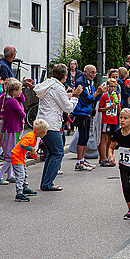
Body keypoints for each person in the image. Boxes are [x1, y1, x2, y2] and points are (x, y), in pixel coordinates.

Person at [34, 63, 82, 191]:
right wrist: (76, 96)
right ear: (65, 76)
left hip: (43, 121)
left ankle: (46, 182)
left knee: (51, 153)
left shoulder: (48, 84)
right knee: (58, 153)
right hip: (52, 124)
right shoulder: (58, 88)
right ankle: (48, 183)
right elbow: (67, 107)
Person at [72, 64, 105, 171]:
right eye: (91, 72)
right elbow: (86, 99)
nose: (93, 75)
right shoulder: (80, 81)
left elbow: (94, 97)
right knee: (82, 136)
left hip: (87, 112)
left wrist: (99, 93)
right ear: (85, 72)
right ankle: (79, 161)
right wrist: (97, 93)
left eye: (95, 73)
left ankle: (82, 159)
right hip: (81, 112)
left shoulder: (90, 82)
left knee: (85, 136)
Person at [0, 79, 26, 184]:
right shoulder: (12, 101)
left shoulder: (6, 99)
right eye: (20, 90)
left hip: (9, 129)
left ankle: (9, 175)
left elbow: (22, 98)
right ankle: (0, 176)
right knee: (10, 155)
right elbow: (22, 113)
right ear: (14, 91)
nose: (21, 92)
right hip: (12, 130)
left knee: (11, 153)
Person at [11, 119, 48, 202]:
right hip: (17, 157)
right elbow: (23, 145)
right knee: (21, 175)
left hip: (21, 157)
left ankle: (25, 188)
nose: (45, 133)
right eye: (44, 132)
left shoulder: (33, 137)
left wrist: (30, 152)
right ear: (40, 131)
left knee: (24, 173)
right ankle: (19, 193)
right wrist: (31, 149)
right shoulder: (30, 136)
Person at [98, 79, 120, 167]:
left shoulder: (116, 96)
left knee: (111, 140)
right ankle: (103, 158)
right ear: (107, 87)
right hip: (106, 120)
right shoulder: (104, 96)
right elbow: (99, 109)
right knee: (104, 139)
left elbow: (118, 110)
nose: (113, 88)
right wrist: (109, 107)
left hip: (113, 120)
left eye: (114, 87)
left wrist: (118, 106)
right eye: (111, 86)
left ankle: (109, 157)